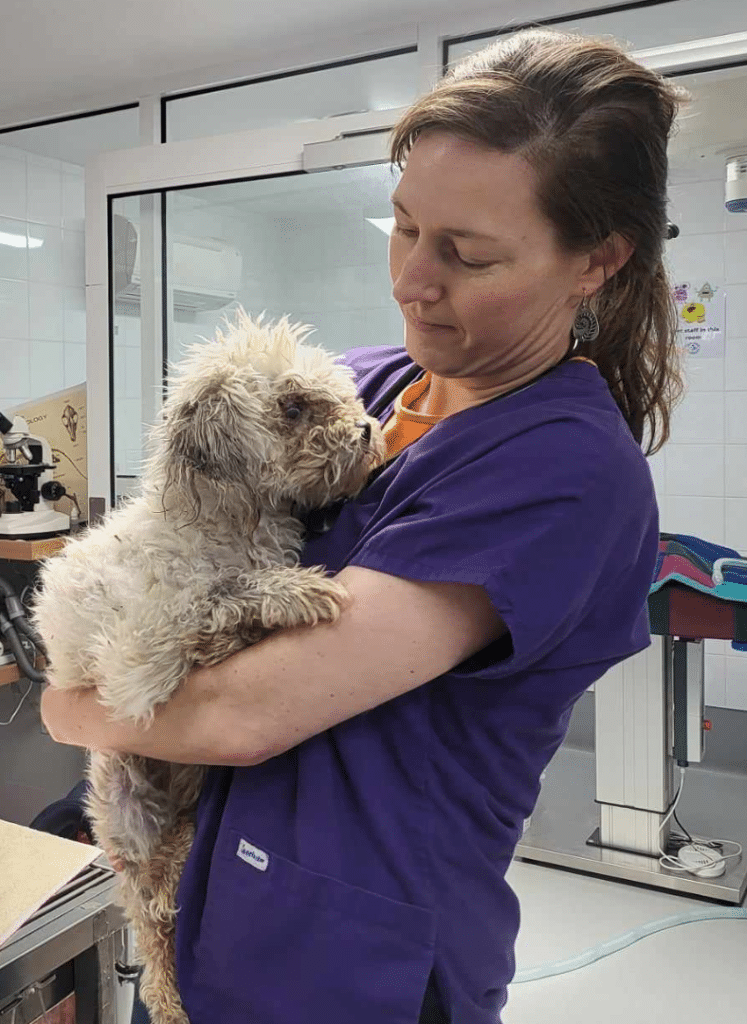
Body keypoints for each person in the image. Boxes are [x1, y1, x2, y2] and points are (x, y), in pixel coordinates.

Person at [41, 27, 687, 1024]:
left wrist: (69, 708)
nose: (411, 280)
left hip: (356, 963)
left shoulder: (563, 468)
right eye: (401, 227)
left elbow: (239, 715)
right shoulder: (369, 386)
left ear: (595, 260)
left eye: (466, 254)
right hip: (215, 898)